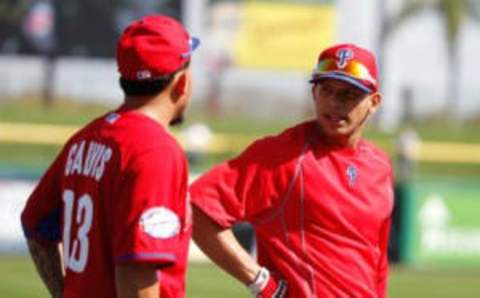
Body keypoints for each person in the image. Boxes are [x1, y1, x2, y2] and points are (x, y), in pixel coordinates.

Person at [190, 43, 394, 297]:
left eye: (348, 94)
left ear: (374, 103)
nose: (333, 102)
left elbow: (377, 259)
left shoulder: (380, 166)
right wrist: (261, 282)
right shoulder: (283, 155)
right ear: (314, 94)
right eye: (326, 90)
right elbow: (198, 209)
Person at [21, 15, 199, 298]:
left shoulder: (88, 137)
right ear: (183, 83)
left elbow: (35, 221)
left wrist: (63, 292)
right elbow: (136, 270)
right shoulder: (157, 151)